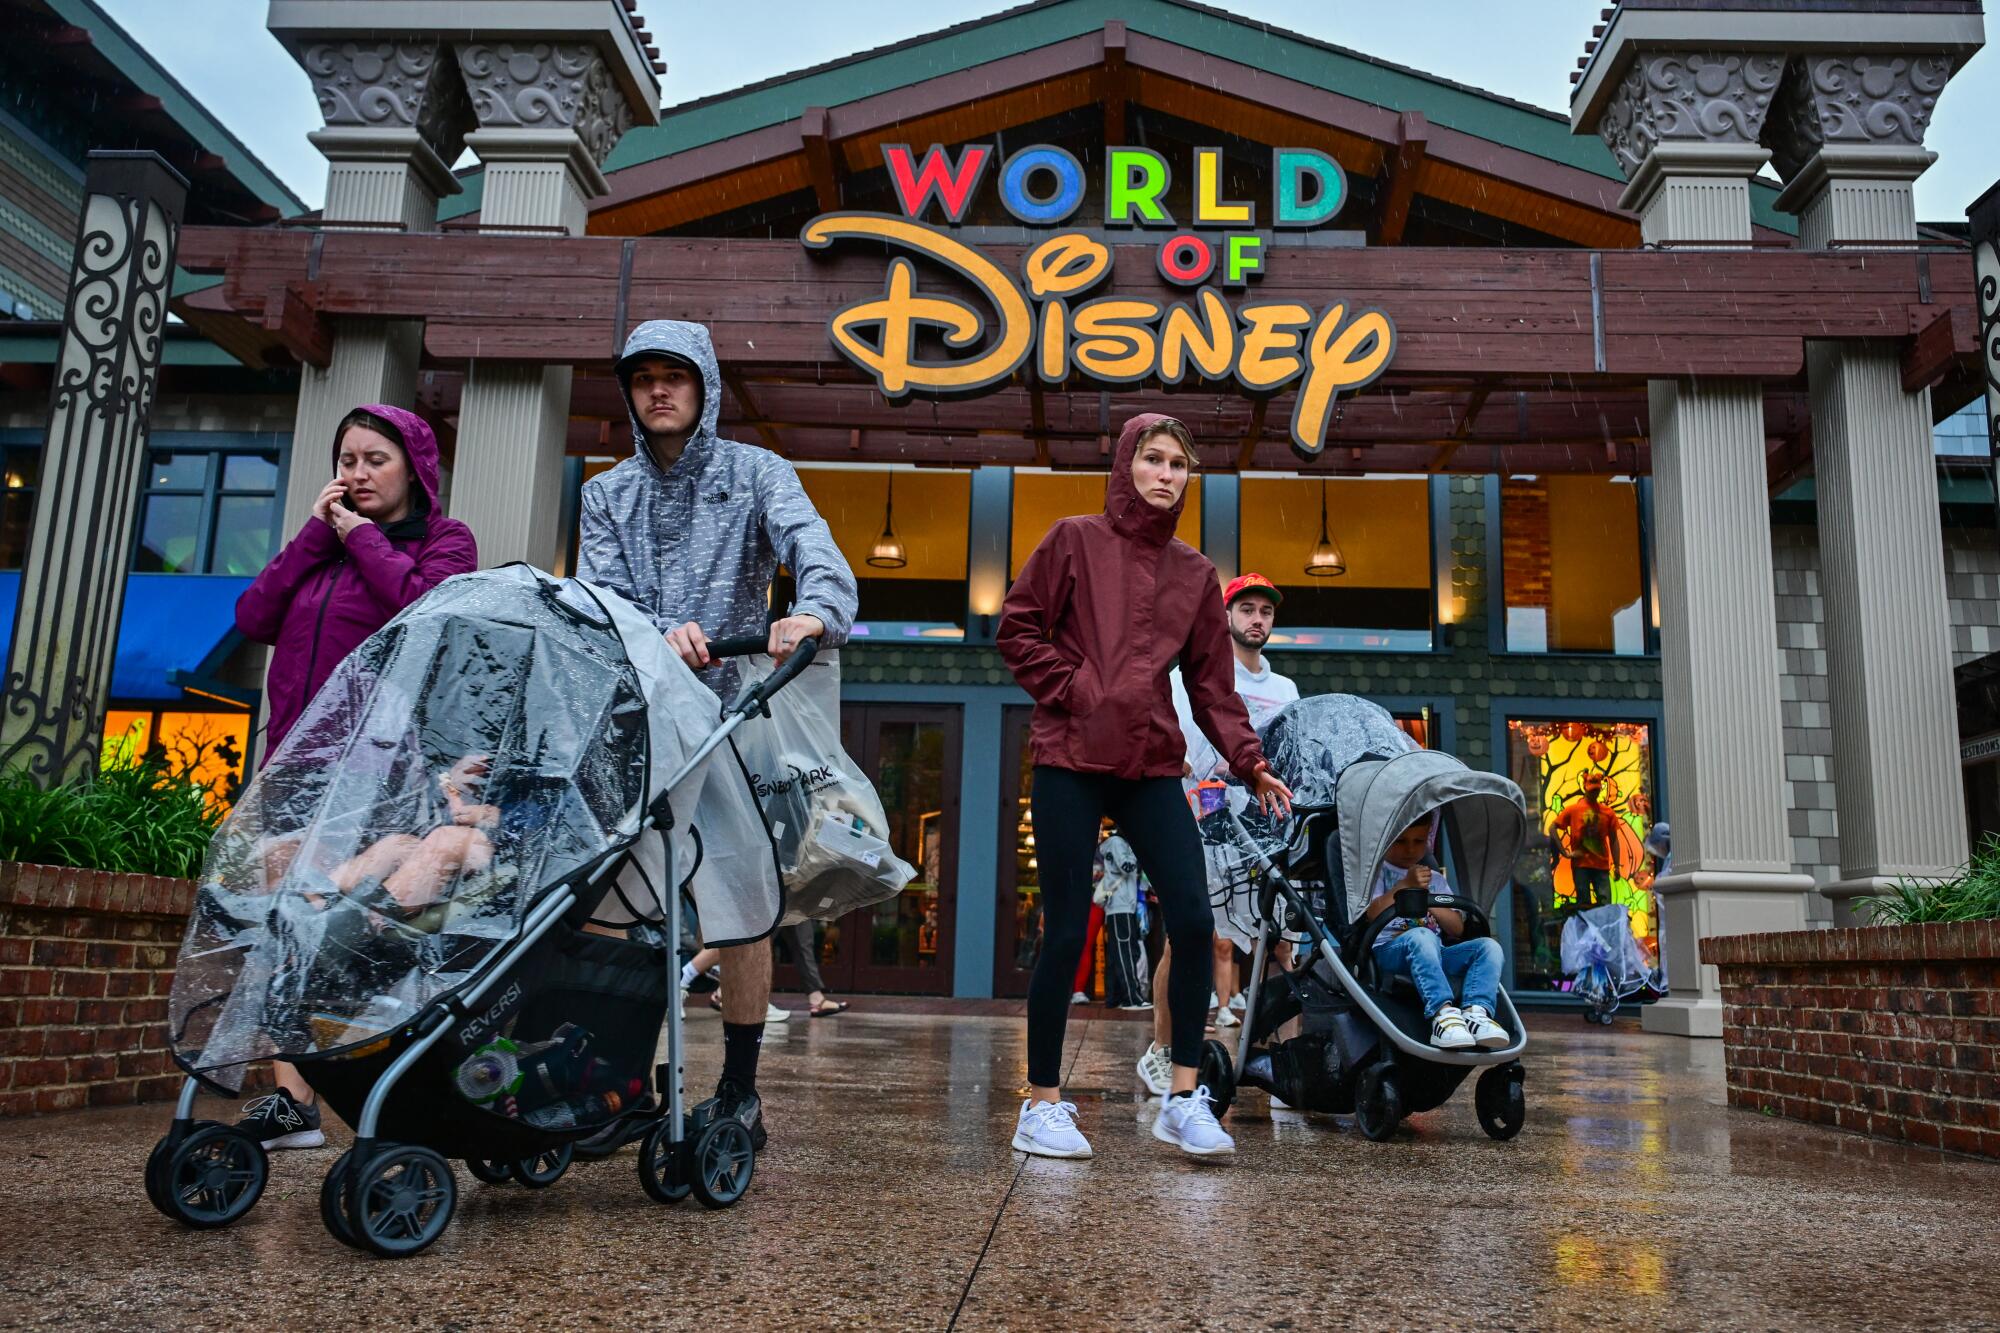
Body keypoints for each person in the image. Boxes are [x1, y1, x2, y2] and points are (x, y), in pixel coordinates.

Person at [576, 319, 856, 1153]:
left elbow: (814, 548)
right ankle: (607, 1074)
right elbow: (600, 599)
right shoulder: (605, 495)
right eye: (644, 378)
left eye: (676, 375)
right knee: (605, 902)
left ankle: (739, 1088)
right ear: (629, 393)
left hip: (734, 711)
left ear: (705, 386)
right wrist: (654, 632)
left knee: (743, 905)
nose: (659, 390)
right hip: (638, 718)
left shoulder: (756, 473)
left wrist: (814, 610)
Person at [998, 413, 1292, 1160]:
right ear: (1126, 465)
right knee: (1066, 929)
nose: (1166, 474)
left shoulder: (1195, 574)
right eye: (1153, 459)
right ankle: (1042, 1104)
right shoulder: (1073, 539)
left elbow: (1211, 686)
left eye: (1179, 465)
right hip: (1069, 755)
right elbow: (1017, 629)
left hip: (1151, 763)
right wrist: (1078, 689)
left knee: (1194, 921)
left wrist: (1248, 760)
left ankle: (1184, 1097)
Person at [230, 403, 477, 1150]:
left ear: (415, 468)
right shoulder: (322, 546)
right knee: (283, 924)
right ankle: (294, 1097)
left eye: (376, 459)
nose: (357, 473)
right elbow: (252, 615)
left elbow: (422, 610)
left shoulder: (444, 541)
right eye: (347, 460)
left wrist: (359, 535)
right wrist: (317, 533)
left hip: (381, 770)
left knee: (360, 928)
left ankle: (391, 1088)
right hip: (294, 763)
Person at [1137, 574, 1299, 1094]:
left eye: (1266, 613)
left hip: (1265, 831)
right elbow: (1173, 744)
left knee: (1280, 946)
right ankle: (1161, 1051)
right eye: (1246, 609)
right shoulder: (1197, 679)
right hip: (1202, 823)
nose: (1257, 620)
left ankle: (1286, 1063)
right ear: (1226, 617)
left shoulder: (1285, 690)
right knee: (1188, 939)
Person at [1365, 820, 1510, 1051]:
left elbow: (1457, 929)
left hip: (1435, 951)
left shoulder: (1436, 879)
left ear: (1428, 841)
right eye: (1401, 841)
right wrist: (1405, 886)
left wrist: (1428, 900)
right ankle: (1443, 1014)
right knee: (1422, 936)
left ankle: (1476, 1013)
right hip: (1390, 950)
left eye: (1418, 841)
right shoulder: (1376, 873)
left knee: (1489, 947)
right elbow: (1373, 913)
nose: (1410, 849)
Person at [1553, 771, 1628, 910]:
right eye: (1592, 790)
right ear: (1585, 788)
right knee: (1584, 905)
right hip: (1581, 864)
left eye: (1597, 790)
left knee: (1605, 906)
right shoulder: (1574, 810)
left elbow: (1614, 839)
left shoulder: (1607, 812)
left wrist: (1617, 866)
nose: (1595, 793)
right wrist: (1565, 853)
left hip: (1601, 865)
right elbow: (1553, 828)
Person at [1094, 833, 1151, 1010]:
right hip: (1120, 905)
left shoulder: (1116, 844)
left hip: (1123, 904)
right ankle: (1132, 998)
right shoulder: (1117, 843)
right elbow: (1127, 866)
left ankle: (1114, 997)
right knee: (1124, 951)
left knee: (1117, 953)